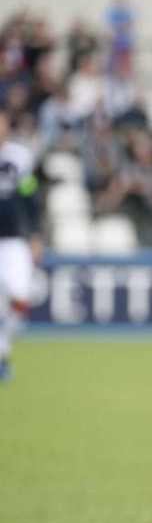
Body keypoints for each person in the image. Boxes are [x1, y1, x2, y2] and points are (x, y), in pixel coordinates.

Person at [0, 113, 40, 381]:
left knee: (21, 296)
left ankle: (2, 345)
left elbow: (29, 194)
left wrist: (35, 233)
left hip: (13, 239)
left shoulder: (19, 157)